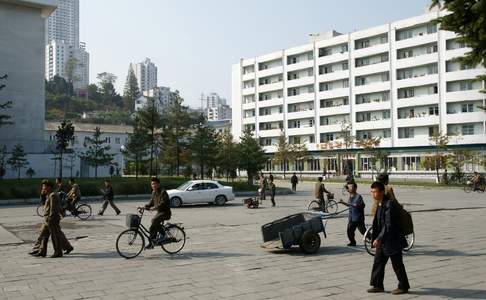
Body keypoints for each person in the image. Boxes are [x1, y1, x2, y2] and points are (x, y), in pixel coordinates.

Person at [368, 181, 410, 295]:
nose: (373, 194)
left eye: (375, 192)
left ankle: (403, 286)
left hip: (393, 240)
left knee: (397, 264)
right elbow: (379, 224)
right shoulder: (380, 203)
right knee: (378, 262)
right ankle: (377, 285)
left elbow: (388, 224)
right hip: (384, 240)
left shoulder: (389, 204)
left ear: (382, 192)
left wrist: (379, 238)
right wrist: (376, 237)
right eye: (372, 192)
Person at [30, 180, 65, 258]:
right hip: (47, 219)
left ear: (49, 187)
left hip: (51, 219)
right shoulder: (48, 194)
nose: (43, 188)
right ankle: (42, 251)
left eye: (44, 186)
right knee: (43, 236)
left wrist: (50, 219)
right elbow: (43, 204)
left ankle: (58, 252)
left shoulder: (53, 195)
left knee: (55, 236)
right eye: (43, 186)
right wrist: (42, 194)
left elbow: (54, 209)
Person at [142, 177, 171, 249]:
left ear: (158, 184)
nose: (153, 185)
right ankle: (151, 243)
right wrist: (144, 207)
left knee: (154, 220)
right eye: (152, 184)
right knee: (151, 228)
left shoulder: (163, 192)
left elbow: (163, 203)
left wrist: (155, 208)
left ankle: (164, 234)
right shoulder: (154, 192)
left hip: (165, 212)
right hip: (159, 212)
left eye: (154, 184)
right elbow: (151, 202)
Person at [340, 182, 366, 246]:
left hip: (358, 218)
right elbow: (349, 205)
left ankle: (373, 239)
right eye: (348, 187)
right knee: (349, 230)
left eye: (351, 187)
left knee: (363, 231)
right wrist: (343, 202)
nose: (348, 188)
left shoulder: (358, 197)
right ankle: (353, 242)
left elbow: (362, 205)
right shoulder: (350, 197)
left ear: (355, 188)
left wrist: (357, 205)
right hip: (352, 217)